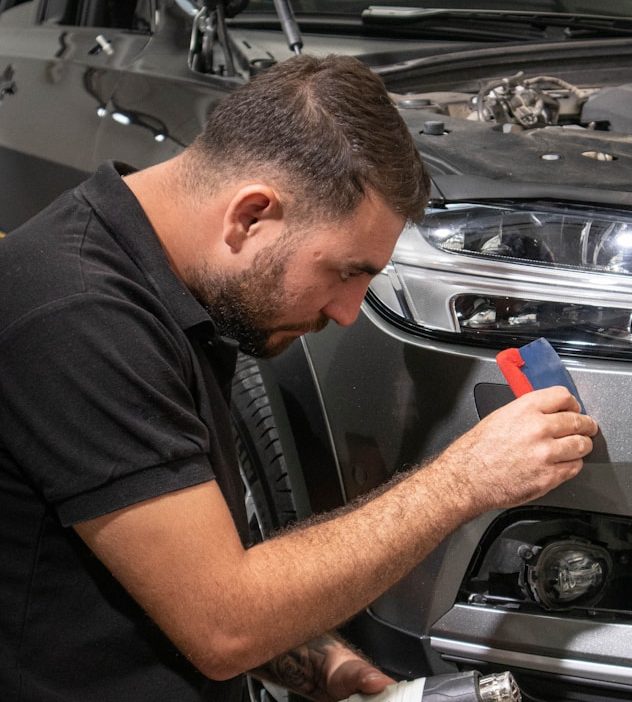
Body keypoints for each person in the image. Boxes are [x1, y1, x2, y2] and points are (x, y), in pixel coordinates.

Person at [0, 54, 598, 702]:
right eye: (346, 271)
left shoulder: (160, 285)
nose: (346, 312)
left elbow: (181, 572)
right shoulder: (82, 319)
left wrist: (331, 671)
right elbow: (225, 622)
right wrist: (465, 479)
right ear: (250, 216)